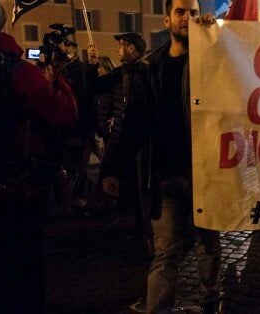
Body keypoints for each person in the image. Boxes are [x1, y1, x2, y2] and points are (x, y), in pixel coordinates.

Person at [100, 1, 221, 313]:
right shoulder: (151, 67)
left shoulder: (212, 59)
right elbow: (134, 122)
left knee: (208, 244)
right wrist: (112, 168)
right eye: (181, 11)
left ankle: (210, 299)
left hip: (204, 174)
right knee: (165, 252)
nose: (188, 18)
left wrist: (216, 37)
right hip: (165, 177)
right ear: (167, 18)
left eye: (194, 12)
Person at [0, 1, 77, 312]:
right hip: (20, 183)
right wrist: (57, 78)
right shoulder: (18, 71)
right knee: (24, 260)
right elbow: (65, 114)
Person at [89, 32, 153, 248]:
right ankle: (140, 228)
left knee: (143, 186)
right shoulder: (122, 72)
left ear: (131, 48)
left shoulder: (146, 72)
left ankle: (148, 233)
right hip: (125, 136)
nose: (118, 50)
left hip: (144, 141)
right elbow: (97, 87)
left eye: (121, 46)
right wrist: (92, 63)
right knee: (132, 186)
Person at [59, 37, 96, 213]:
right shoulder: (62, 69)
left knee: (80, 165)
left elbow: (84, 96)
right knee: (69, 165)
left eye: (68, 45)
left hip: (80, 125)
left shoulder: (81, 70)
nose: (65, 49)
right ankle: (72, 197)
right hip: (65, 126)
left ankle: (80, 197)